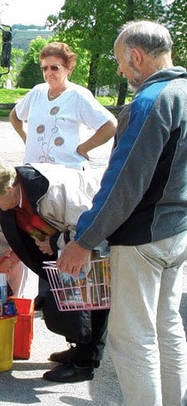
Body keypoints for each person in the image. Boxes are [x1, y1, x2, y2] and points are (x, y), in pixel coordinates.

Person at [57, 21, 187, 405]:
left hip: (143, 237)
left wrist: (84, 240)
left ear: (136, 56)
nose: (118, 71)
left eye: (119, 61)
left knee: (134, 338)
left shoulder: (150, 102)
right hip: (177, 234)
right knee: (168, 326)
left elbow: (122, 184)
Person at [0, 156, 109, 383]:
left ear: (7, 188)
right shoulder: (14, 195)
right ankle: (79, 350)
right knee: (66, 301)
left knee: (91, 299)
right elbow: (0, 234)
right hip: (67, 241)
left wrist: (55, 240)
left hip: (93, 240)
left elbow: (90, 223)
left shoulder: (53, 191)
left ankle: (84, 362)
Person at [10, 42, 117, 170]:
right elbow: (15, 115)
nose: (49, 72)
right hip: (34, 172)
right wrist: (25, 137)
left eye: (55, 68)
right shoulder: (36, 92)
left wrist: (83, 149)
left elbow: (110, 126)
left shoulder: (78, 95)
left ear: (69, 68)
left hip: (66, 174)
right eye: (45, 68)